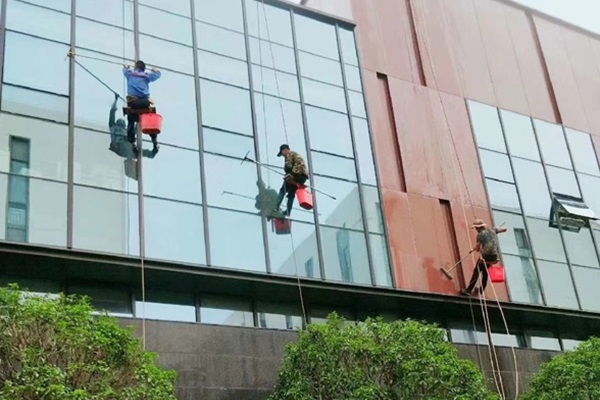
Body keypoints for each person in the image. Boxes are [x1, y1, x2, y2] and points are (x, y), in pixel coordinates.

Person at [460, 219, 507, 296]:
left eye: (476, 228)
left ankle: (468, 290)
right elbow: (504, 229)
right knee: (485, 272)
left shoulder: (480, 235)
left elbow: (478, 249)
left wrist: (476, 247)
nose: (476, 230)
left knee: (477, 271)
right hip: (494, 255)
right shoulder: (492, 230)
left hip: (485, 255)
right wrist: (496, 231)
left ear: (479, 228)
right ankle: (481, 290)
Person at [123, 60, 161, 156]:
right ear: (143, 69)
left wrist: (126, 66)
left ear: (136, 67)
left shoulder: (130, 74)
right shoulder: (146, 76)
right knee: (149, 122)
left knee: (131, 121)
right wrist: (154, 70)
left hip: (133, 103)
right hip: (144, 103)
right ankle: (154, 141)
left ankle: (132, 143)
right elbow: (158, 74)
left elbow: (124, 70)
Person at [108, 94, 158, 160]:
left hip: (129, 148)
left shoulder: (126, 130)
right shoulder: (113, 127)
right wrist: (115, 100)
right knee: (129, 143)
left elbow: (134, 129)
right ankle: (130, 160)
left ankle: (152, 152)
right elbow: (112, 113)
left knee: (140, 151)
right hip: (118, 146)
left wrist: (138, 118)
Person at [273, 144, 309, 217]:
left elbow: (289, 166)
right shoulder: (295, 155)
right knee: (291, 194)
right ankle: (288, 212)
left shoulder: (289, 155)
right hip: (302, 177)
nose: (283, 155)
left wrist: (290, 174)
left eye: (282, 153)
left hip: (296, 174)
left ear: (285, 150)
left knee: (283, 190)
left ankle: (276, 207)